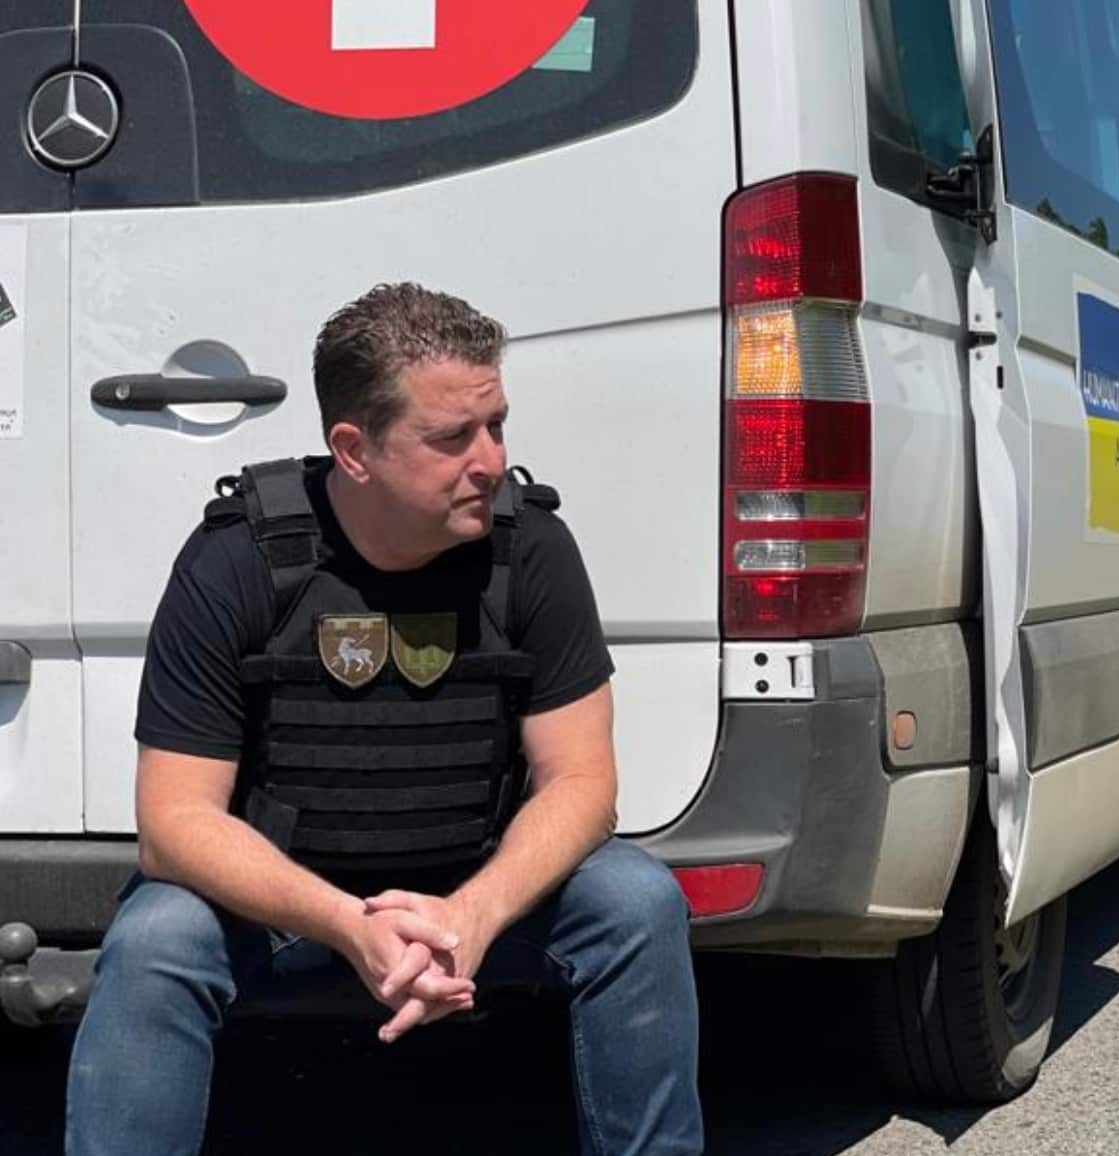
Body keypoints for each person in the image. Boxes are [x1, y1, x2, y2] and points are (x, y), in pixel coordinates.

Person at [66, 283, 703, 1156]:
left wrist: (472, 915)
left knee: (635, 902)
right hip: (287, 905)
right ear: (353, 450)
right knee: (156, 938)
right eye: (451, 439)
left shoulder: (532, 550)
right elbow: (173, 826)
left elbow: (584, 783)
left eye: (497, 425)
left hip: (479, 892)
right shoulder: (237, 561)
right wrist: (349, 924)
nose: (488, 460)